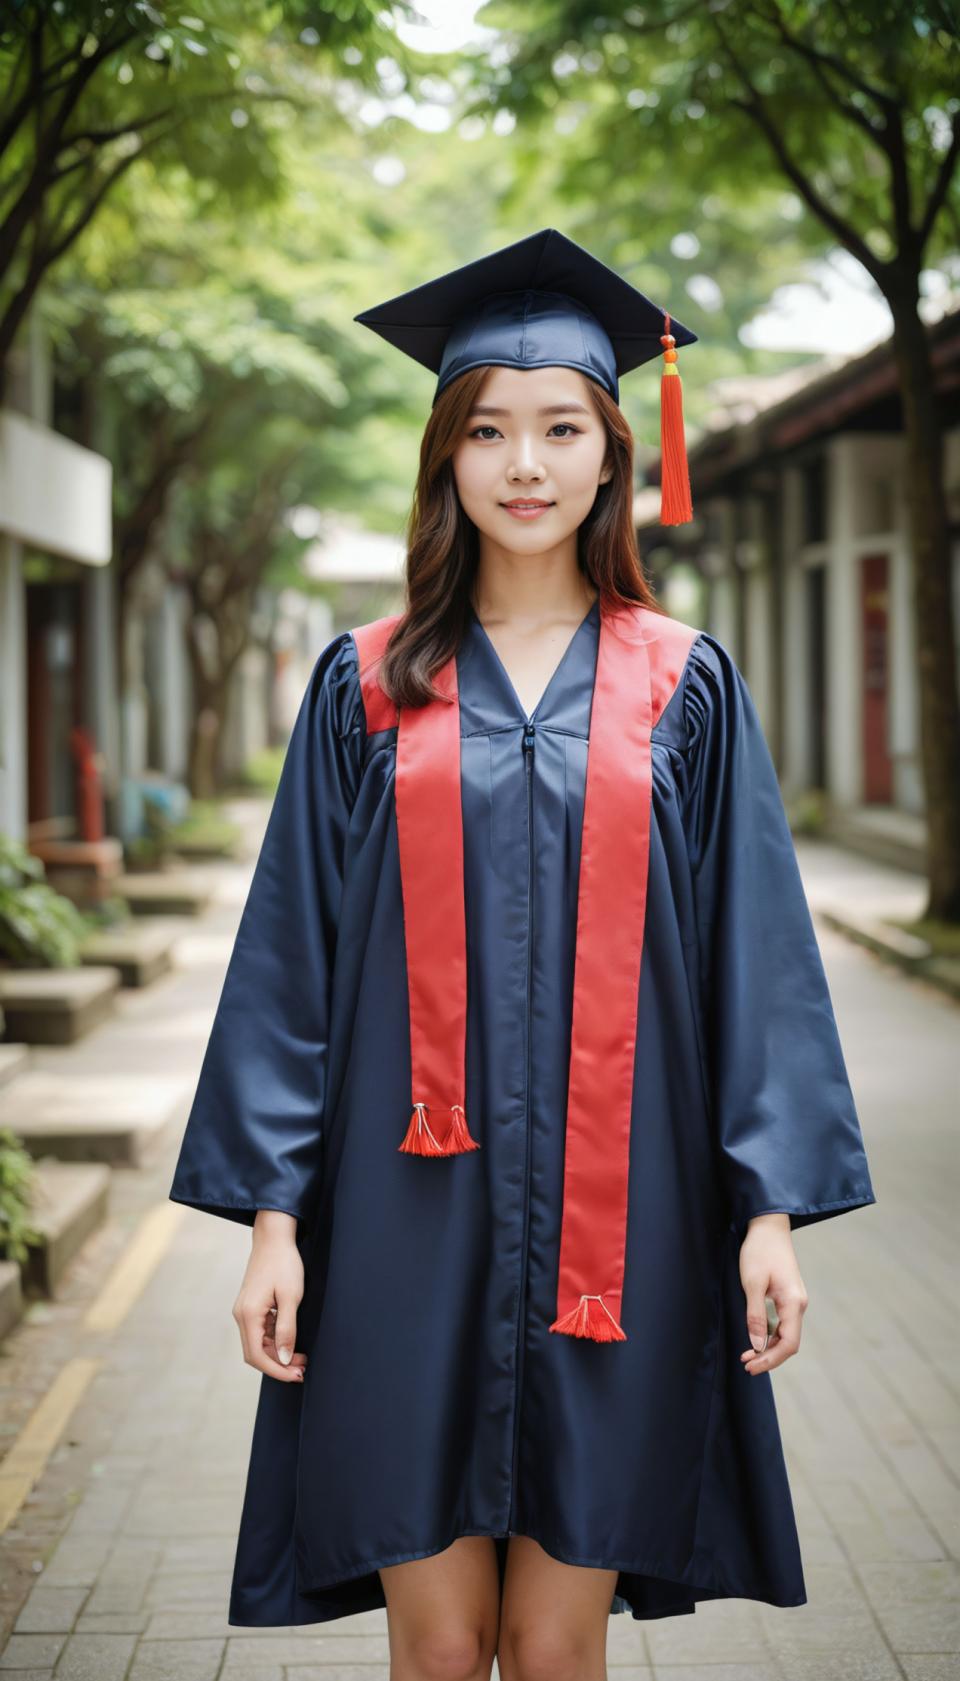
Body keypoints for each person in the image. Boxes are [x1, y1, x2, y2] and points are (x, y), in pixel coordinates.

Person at [169, 228, 877, 1679]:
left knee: (557, 1654)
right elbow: (289, 960)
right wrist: (272, 1221)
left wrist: (768, 1213)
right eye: (487, 429)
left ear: (614, 454)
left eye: (561, 428)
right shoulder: (364, 683)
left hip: (625, 1221)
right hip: (396, 1219)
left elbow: (758, 953)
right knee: (437, 1653)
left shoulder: (684, 685)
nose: (525, 463)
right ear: (445, 457)